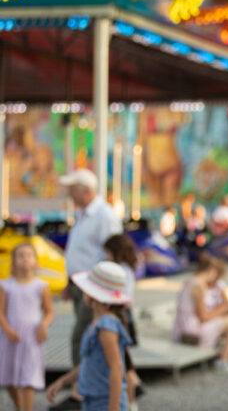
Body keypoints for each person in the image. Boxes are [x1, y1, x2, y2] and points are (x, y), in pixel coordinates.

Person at [54, 169, 122, 411]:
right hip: (82, 285)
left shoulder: (103, 215)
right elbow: (81, 252)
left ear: (86, 190)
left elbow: (114, 252)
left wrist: (104, 291)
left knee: (84, 337)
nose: (69, 194)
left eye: (73, 189)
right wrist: (70, 282)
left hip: (94, 289)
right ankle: (83, 389)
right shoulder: (85, 214)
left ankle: (82, 392)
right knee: (86, 338)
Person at [46, 261, 132, 411]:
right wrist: (63, 381)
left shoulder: (106, 326)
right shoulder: (96, 323)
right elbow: (89, 362)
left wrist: (113, 408)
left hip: (104, 402)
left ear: (93, 295)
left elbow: (116, 369)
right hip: (92, 400)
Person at [0, 243, 54, 411]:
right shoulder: (5, 285)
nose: (25, 259)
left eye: (29, 255)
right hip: (11, 336)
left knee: (28, 377)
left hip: (32, 336)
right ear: (14, 261)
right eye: (21, 255)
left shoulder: (41, 286)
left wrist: (44, 325)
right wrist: (7, 329)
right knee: (8, 376)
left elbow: (49, 311)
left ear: (35, 261)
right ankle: (18, 405)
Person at [171, 255, 228, 369]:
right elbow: (203, 317)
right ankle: (225, 359)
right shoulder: (198, 285)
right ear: (212, 270)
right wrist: (223, 309)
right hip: (192, 331)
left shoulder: (192, 281)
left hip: (185, 328)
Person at [103, 235, 143, 410]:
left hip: (120, 317)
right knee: (124, 362)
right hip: (125, 317)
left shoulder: (121, 271)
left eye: (108, 254)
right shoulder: (128, 269)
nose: (106, 257)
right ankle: (131, 398)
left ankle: (131, 401)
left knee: (124, 364)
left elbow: (122, 296)